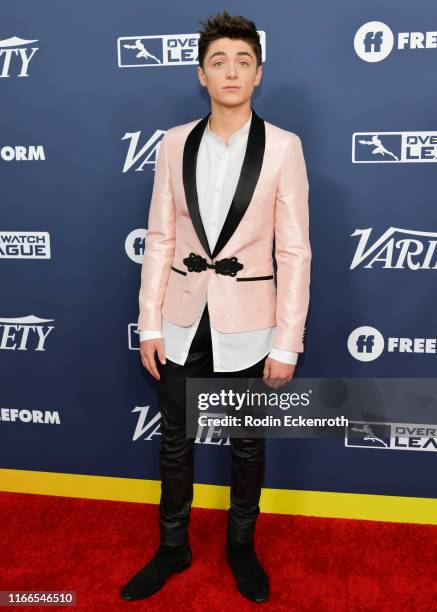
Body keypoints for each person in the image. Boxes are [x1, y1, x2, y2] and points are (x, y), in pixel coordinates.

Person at [120, 10, 311, 604]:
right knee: (174, 441)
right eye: (219, 61)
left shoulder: (283, 147)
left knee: (247, 444)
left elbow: (296, 250)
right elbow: (160, 238)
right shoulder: (174, 143)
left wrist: (286, 341)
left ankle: (240, 546)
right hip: (181, 318)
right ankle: (173, 547)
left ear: (258, 73)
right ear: (201, 74)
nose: (231, 71)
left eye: (242, 61)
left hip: (251, 324)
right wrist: (149, 322)